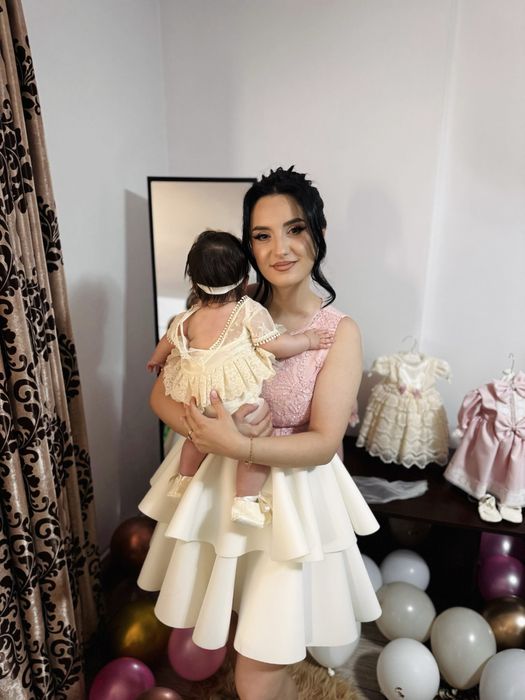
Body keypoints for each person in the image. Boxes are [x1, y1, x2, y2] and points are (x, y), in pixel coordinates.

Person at [138, 167, 381, 700]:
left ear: (317, 233)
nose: (280, 249)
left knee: (257, 670)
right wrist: (208, 433)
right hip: (217, 495)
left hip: (288, 505)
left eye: (294, 230)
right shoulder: (225, 305)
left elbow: (324, 443)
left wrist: (240, 445)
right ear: (247, 245)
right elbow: (160, 395)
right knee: (228, 627)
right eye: (262, 235)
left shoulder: (338, 332)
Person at [146, 229, 333, 527]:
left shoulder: (189, 317)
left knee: (194, 441)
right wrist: (308, 340)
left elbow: (168, 341)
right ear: (245, 281)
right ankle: (245, 499)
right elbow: (275, 345)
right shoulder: (248, 310)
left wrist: (156, 358)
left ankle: (184, 479)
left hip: (203, 402)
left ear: (194, 283)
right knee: (256, 443)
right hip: (236, 402)